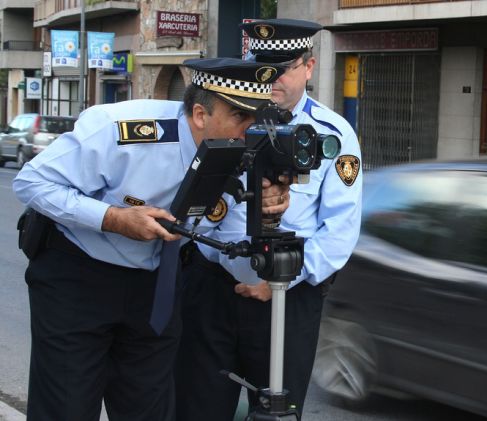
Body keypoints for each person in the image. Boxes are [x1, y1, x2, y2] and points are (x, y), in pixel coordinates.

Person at [13, 57, 291, 421]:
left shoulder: (244, 155)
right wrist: (113, 219)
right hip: (78, 278)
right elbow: (31, 183)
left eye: (258, 119)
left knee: (149, 410)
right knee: (66, 406)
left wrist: (266, 218)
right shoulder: (121, 130)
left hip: (158, 285)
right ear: (200, 115)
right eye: (241, 117)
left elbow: (234, 252)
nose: (251, 130)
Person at [175, 18, 363, 420]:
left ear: (308, 68)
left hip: (287, 295)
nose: (271, 78)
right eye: (263, 66)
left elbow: (340, 229)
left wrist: (281, 280)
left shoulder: (332, 134)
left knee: (276, 410)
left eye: (284, 68)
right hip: (212, 287)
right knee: (196, 407)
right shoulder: (228, 115)